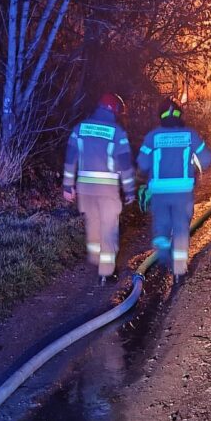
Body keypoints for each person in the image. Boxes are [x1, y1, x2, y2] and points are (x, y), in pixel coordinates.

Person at [63, 93, 136, 285]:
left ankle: (95, 257)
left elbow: (71, 159)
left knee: (93, 223)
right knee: (109, 229)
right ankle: (106, 271)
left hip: (85, 189)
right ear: (115, 111)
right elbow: (125, 165)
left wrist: (67, 186)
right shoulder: (117, 132)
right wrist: (129, 190)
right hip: (108, 190)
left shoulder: (80, 128)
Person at [137, 99, 211, 282]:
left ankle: (163, 255)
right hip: (183, 192)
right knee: (180, 228)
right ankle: (179, 269)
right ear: (180, 115)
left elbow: (142, 163)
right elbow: (207, 159)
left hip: (159, 193)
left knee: (162, 226)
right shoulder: (190, 135)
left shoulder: (152, 137)